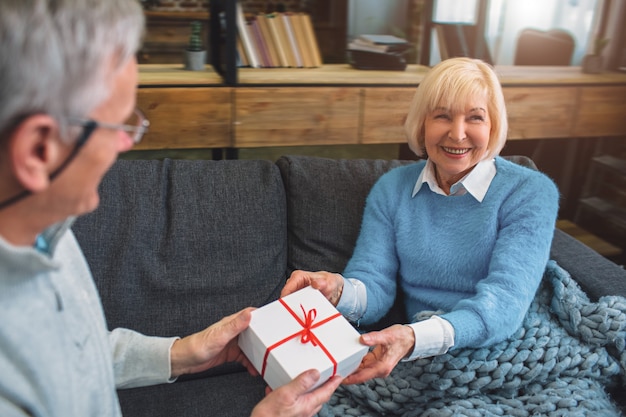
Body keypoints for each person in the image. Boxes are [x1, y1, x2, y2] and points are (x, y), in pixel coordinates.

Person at [0, 1, 341, 416]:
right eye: (120, 126)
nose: (128, 145)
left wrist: (182, 352)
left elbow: (69, 353)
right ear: (38, 150)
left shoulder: (47, 228)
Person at [283, 57, 560, 385]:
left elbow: (505, 302)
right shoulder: (392, 189)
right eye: (442, 115)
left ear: (493, 126)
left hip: (512, 342)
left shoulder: (530, 191)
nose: (457, 134)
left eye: (475, 118)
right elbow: (375, 287)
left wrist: (415, 337)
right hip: (424, 351)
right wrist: (335, 290)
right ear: (422, 123)